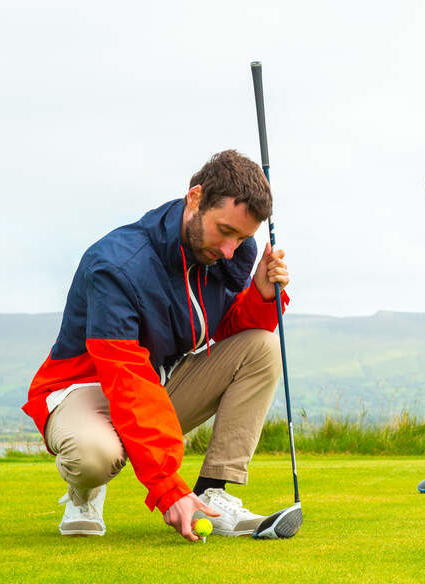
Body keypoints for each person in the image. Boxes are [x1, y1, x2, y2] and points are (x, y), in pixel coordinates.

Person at [23, 149, 290, 540]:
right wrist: (166, 487)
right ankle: (84, 492)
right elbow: (125, 376)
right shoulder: (116, 264)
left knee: (262, 347)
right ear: (195, 198)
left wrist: (261, 297)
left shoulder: (222, 254)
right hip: (85, 388)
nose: (232, 250)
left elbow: (220, 330)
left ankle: (213, 493)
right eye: (225, 231)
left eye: (243, 238)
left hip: (160, 380)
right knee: (95, 456)